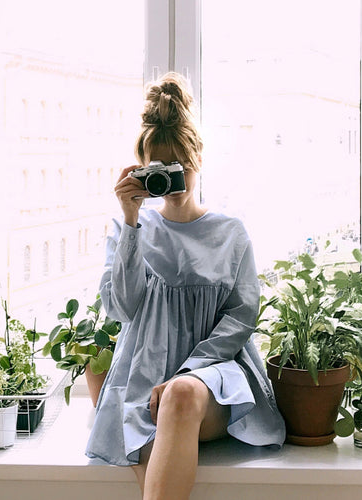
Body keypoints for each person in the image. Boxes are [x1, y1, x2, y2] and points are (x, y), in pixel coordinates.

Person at [85, 72, 285, 500]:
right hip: (141, 380)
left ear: (198, 159)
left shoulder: (230, 231)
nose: (171, 183)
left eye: (178, 167)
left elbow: (241, 317)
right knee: (156, 421)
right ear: (142, 170)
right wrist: (131, 220)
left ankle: (178, 384)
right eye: (158, 170)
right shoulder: (130, 230)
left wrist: (187, 372)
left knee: (176, 395)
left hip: (212, 379)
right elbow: (121, 308)